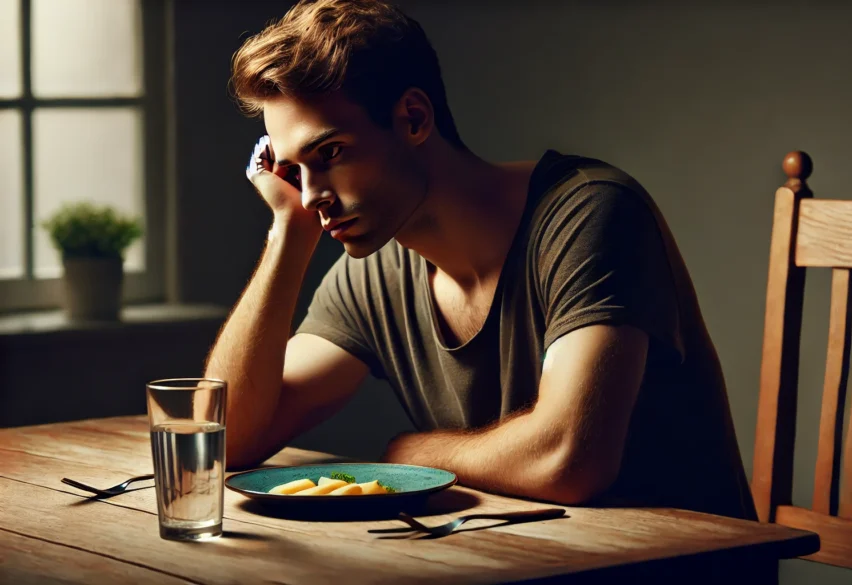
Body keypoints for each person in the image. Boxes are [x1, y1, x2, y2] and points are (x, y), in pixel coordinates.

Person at [206, 0, 754, 518]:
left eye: (330, 154)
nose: (311, 194)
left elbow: (568, 460)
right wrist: (287, 234)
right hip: (531, 562)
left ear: (414, 118)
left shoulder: (590, 214)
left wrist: (415, 451)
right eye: (292, 169)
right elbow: (225, 441)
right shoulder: (371, 274)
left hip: (682, 564)